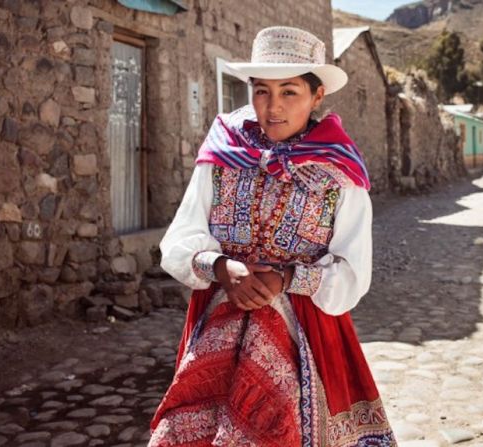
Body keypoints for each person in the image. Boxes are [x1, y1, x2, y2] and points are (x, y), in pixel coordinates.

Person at [147, 26, 396, 446]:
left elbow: (352, 272)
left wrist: (286, 278)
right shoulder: (222, 154)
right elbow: (180, 238)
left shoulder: (340, 174)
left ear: (317, 96)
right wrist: (222, 267)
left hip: (306, 334)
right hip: (217, 328)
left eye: (290, 92)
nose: (273, 106)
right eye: (261, 91)